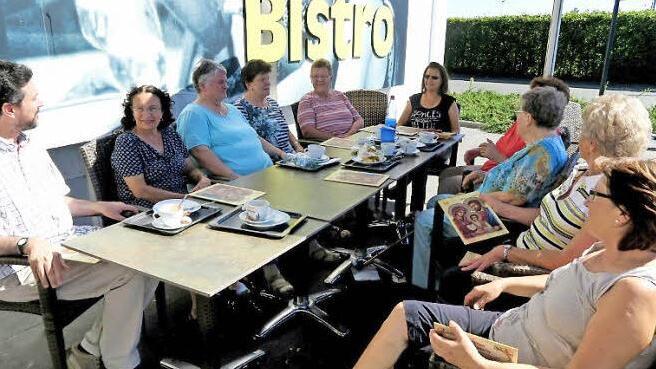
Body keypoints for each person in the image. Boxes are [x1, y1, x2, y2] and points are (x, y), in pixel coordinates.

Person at [354, 158, 656, 369]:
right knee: (405, 313)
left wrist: (477, 363)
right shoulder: (607, 248)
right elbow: (563, 281)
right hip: (508, 327)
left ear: (623, 215)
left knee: (410, 326)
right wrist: (506, 283)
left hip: (510, 356)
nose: (587, 201)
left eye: (595, 195)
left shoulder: (634, 294)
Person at [0, 60, 158, 369]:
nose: (41, 102)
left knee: (154, 253)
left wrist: (99, 207)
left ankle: (89, 349)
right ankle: (119, 362)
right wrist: (26, 244)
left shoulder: (29, 145)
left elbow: (59, 202)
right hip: (19, 269)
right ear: (9, 109)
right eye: (33, 98)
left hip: (68, 244)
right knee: (130, 271)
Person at [461, 94, 652, 272]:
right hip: (518, 240)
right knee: (455, 227)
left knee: (452, 265)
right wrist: (496, 207)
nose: (578, 135)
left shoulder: (605, 195)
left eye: (583, 130)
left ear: (592, 143)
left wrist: (505, 252)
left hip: (523, 267)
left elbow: (566, 260)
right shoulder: (580, 169)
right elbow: (543, 215)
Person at [412, 86, 569, 289]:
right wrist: (485, 176)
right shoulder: (547, 144)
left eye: (519, 114)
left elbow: (514, 198)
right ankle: (437, 264)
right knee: (436, 201)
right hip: (492, 210)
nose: (517, 119)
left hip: (495, 221)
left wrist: (471, 199)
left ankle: (422, 286)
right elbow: (519, 183)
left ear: (529, 118)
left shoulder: (543, 153)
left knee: (424, 221)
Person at [437, 76, 571, 195]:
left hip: (494, 181)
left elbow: (518, 180)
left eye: (536, 96)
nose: (527, 102)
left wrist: (494, 159)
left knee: (447, 183)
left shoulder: (538, 141)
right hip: (493, 173)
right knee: (446, 174)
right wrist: (481, 151)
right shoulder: (532, 131)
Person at [176, 59, 285, 180]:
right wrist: (236, 179)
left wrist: (282, 154)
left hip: (268, 172)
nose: (226, 86)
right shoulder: (193, 114)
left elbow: (255, 138)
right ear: (203, 86)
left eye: (226, 81)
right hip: (240, 183)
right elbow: (200, 153)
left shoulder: (232, 109)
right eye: (221, 82)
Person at [111, 85, 211, 208]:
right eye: (140, 109)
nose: (146, 114)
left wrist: (202, 178)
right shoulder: (126, 142)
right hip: (147, 211)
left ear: (162, 111)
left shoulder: (169, 133)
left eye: (152, 108)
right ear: (132, 112)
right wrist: (186, 199)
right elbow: (141, 191)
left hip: (184, 206)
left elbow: (189, 168)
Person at [234, 59, 304, 155]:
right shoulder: (240, 108)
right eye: (262, 79)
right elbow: (251, 140)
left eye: (268, 78)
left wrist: (298, 146)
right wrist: (283, 155)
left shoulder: (273, 103)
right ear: (249, 84)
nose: (268, 82)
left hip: (291, 157)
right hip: (269, 162)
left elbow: (286, 130)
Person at [297, 59, 364, 140]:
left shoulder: (340, 95)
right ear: (311, 79)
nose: (319, 79)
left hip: (351, 140)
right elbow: (307, 131)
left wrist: (349, 134)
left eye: (323, 76)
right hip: (326, 145)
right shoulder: (307, 101)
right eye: (315, 76)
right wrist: (336, 139)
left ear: (330, 77)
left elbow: (359, 120)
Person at [397, 61, 459, 133]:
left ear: (442, 81)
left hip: (439, 143)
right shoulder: (414, 100)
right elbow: (399, 125)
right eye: (427, 76)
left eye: (434, 78)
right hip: (412, 142)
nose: (429, 80)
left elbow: (456, 132)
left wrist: (442, 135)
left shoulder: (449, 102)